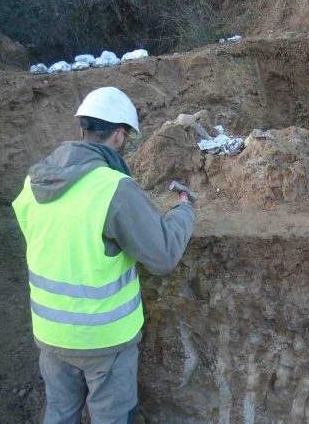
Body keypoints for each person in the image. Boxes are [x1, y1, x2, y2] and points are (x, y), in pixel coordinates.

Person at [12, 87, 197, 424]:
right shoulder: (113, 187)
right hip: (105, 340)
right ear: (118, 135)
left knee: (59, 413)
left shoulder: (33, 182)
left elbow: (47, 239)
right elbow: (163, 254)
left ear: (83, 129)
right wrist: (183, 211)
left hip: (51, 334)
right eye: (124, 137)